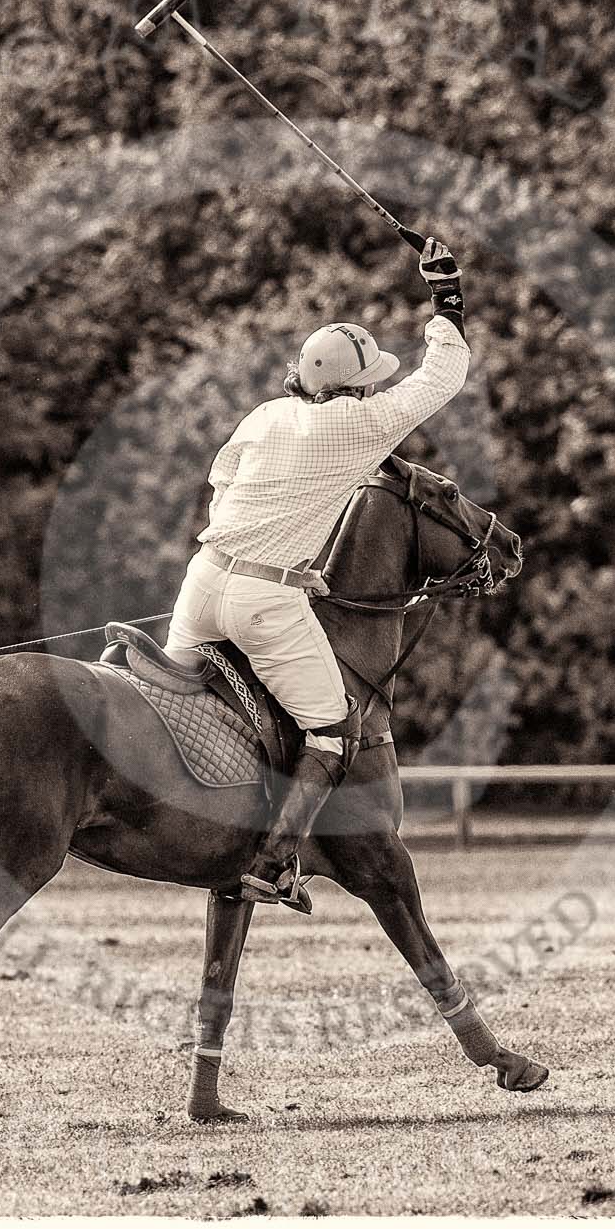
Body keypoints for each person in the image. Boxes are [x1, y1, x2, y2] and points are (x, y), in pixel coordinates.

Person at [165, 237, 469, 911]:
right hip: (259, 602)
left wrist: (288, 562)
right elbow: (441, 377)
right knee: (332, 728)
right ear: (355, 387)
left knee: (171, 707)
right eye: (370, 381)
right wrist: (445, 296)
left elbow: (225, 486)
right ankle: (272, 863)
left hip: (202, 582)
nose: (377, 387)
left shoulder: (265, 414)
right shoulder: (361, 425)